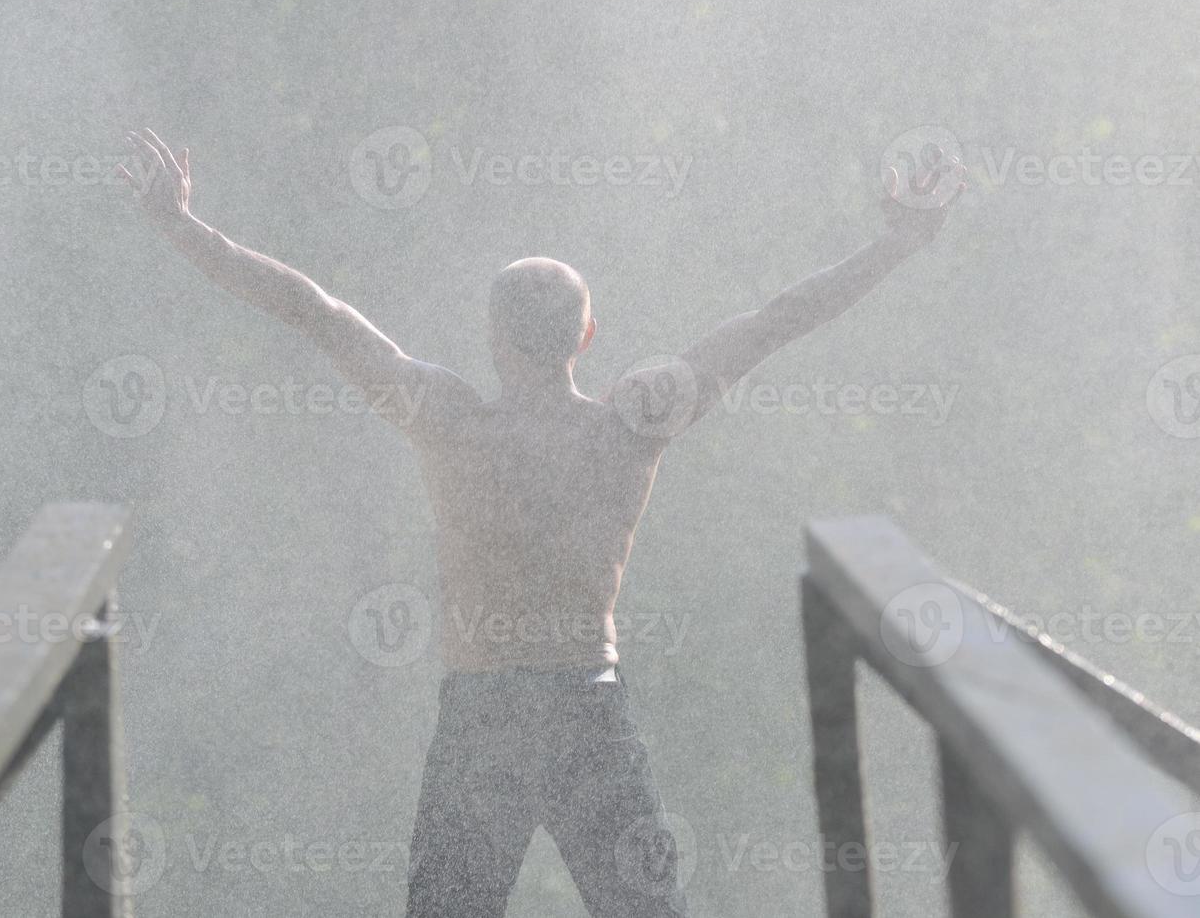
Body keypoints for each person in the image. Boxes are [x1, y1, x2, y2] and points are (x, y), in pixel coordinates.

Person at [118, 127, 965, 917]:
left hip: (483, 709)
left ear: (490, 336)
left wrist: (180, 227)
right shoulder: (631, 424)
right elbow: (773, 322)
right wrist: (900, 241)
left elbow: (315, 312)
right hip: (583, 706)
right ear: (588, 335)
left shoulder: (446, 420)